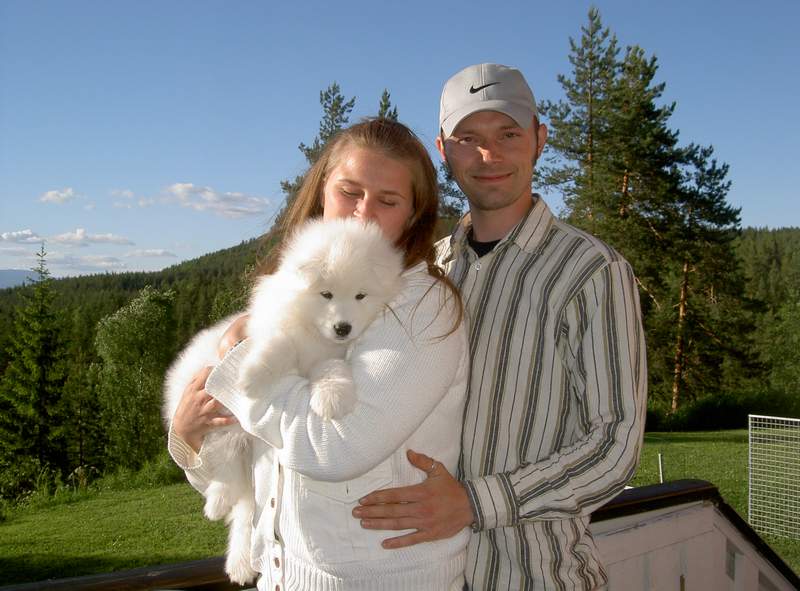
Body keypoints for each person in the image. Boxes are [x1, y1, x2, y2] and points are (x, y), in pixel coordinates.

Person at [352, 63, 648, 590]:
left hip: (534, 577)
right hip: (418, 576)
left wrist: (473, 502)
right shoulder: (424, 274)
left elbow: (614, 446)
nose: (488, 155)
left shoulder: (589, 271)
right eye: (468, 138)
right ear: (443, 150)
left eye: (508, 134)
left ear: (539, 139)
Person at [168, 118, 471, 591]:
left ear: (413, 215)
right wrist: (191, 440)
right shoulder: (296, 285)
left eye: (388, 201)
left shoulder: (418, 306)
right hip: (284, 575)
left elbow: (332, 448)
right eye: (349, 192)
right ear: (322, 193)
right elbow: (262, 464)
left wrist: (239, 357)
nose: (362, 215)